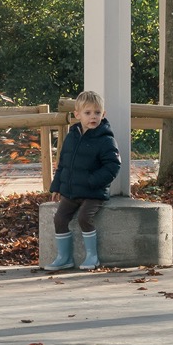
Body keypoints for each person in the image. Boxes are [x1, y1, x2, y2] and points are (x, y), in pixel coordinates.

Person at [46, 89, 122, 271]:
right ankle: (64, 257)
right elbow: (63, 164)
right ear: (77, 114)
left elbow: (113, 166)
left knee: (84, 218)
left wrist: (92, 181)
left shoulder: (105, 140)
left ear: (103, 114)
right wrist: (56, 187)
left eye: (97, 112)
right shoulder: (72, 137)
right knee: (59, 218)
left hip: (93, 192)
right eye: (87, 113)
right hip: (71, 191)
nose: (93, 116)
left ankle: (92, 257)